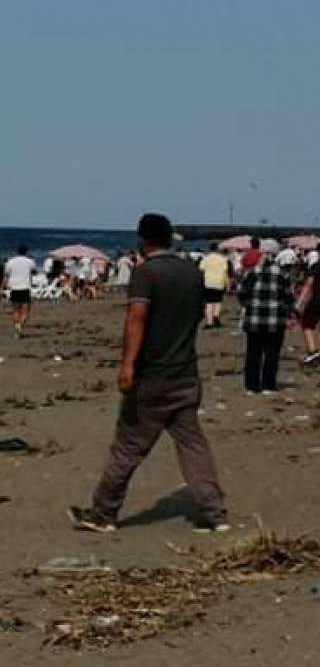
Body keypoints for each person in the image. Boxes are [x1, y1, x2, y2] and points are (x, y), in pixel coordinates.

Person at [70, 213, 228, 534]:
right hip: (185, 372)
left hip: (153, 376)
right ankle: (214, 511)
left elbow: (136, 318)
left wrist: (127, 365)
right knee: (192, 445)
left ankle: (103, 513)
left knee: (128, 446)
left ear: (142, 240)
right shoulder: (191, 272)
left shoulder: (147, 273)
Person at [237, 249, 296, 395]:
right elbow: (289, 297)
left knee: (253, 353)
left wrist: (248, 304)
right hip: (275, 320)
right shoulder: (283, 275)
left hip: (254, 319)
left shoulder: (252, 272)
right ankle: (268, 385)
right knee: (272, 353)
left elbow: (241, 292)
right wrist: (287, 312)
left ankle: (252, 386)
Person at [4, 245, 37, 336]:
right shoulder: (30, 261)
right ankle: (20, 325)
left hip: (14, 288)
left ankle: (17, 326)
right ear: (26, 252)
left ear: (17, 252)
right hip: (25, 287)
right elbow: (34, 271)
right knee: (25, 311)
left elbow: (6, 273)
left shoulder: (11, 261)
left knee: (16, 310)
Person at [199, 243, 228, 328]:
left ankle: (209, 322)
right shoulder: (223, 259)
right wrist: (227, 283)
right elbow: (225, 272)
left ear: (209, 249)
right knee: (217, 301)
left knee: (209, 303)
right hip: (219, 282)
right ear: (217, 249)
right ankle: (216, 316)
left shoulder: (205, 259)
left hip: (207, 282)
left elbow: (201, 270)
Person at [299, 251, 320, 366]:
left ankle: (312, 352)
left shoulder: (316, 266)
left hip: (317, 299)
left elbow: (308, 284)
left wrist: (299, 302)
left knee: (307, 323)